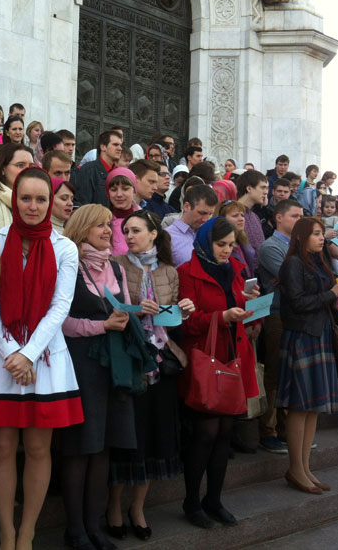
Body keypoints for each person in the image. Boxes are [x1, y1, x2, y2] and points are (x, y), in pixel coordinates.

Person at [0, 167, 83, 550]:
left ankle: (27, 533)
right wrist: (12, 353)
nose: (33, 206)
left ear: (50, 202)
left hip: (46, 360)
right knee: (2, 449)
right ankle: (6, 532)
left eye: (41, 199)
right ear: (14, 199)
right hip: (1, 358)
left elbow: (60, 307)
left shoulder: (64, 247)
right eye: (26, 198)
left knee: (39, 449)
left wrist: (29, 353)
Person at [107, 209, 194, 541]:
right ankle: (113, 507)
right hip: (130, 358)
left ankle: (137, 508)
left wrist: (182, 310)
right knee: (127, 437)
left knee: (152, 437)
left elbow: (172, 320)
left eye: (136, 230)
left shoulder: (169, 270)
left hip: (160, 361)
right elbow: (109, 307)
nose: (129, 236)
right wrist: (136, 309)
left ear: (153, 234)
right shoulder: (116, 264)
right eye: (126, 231)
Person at [60, 204, 140, 550]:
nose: (108, 230)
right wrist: (101, 325)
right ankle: (75, 529)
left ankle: (94, 527)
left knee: (104, 446)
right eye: (99, 225)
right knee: (81, 447)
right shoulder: (70, 265)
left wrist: (133, 314)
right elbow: (60, 321)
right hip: (81, 365)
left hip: (114, 365)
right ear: (82, 229)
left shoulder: (116, 267)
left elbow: (124, 309)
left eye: (109, 224)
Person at [177, 217, 260, 528]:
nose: (227, 250)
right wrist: (222, 317)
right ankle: (191, 501)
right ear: (205, 243)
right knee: (206, 433)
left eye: (231, 245)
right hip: (205, 359)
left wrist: (252, 306)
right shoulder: (187, 272)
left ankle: (214, 499)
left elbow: (246, 316)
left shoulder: (236, 269)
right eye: (220, 244)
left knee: (226, 432)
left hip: (234, 356)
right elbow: (187, 321)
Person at [277, 217, 338, 493]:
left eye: (322, 233)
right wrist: (331, 293)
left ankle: (305, 467)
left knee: (313, 408)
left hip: (319, 334)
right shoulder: (293, 263)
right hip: (301, 336)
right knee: (300, 406)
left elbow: (321, 299)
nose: (322, 238)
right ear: (301, 237)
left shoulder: (318, 261)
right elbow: (296, 303)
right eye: (316, 234)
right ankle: (296, 469)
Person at [257, 199, 304, 453]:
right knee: (274, 374)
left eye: (301, 216)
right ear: (279, 218)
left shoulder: (300, 245)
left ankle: (287, 429)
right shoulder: (270, 246)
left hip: (297, 314)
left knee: (292, 374)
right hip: (276, 314)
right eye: (295, 216)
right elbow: (294, 279)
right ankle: (269, 430)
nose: (299, 221)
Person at [0, 143, 35, 232]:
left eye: (31, 166)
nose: (27, 170)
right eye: (20, 165)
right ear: (2, 169)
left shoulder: (36, 201)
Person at [165, 185, 218, 267]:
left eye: (210, 214)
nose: (205, 219)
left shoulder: (211, 236)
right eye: (202, 213)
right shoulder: (167, 237)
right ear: (186, 207)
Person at [73, 130, 123, 208]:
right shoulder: (88, 170)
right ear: (103, 147)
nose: (120, 148)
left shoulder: (120, 174)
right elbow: (83, 206)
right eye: (115, 145)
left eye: (120, 145)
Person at [235, 169, 269, 269]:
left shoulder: (254, 216)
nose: (266, 192)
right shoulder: (231, 215)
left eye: (267, 188)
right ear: (249, 188)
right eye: (262, 187)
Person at [215, 200, 257, 277]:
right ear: (222, 219)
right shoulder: (217, 247)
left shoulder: (243, 242)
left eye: (242, 215)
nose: (241, 219)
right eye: (235, 216)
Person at [106, 167, 140, 255]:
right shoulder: (101, 222)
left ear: (134, 191)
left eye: (125, 189)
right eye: (114, 190)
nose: (119, 194)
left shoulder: (146, 220)